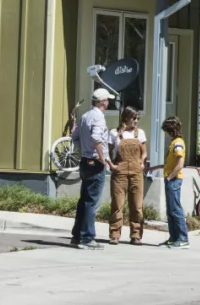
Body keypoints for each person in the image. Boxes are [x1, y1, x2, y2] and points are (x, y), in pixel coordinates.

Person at [71, 88, 113, 250]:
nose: (108, 103)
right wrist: (102, 159)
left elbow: (75, 137)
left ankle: (77, 236)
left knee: (84, 200)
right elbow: (97, 138)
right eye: (107, 100)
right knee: (91, 201)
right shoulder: (99, 117)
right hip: (95, 163)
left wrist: (85, 150)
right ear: (103, 102)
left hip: (84, 161)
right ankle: (87, 238)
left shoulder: (85, 116)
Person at [108, 106, 147, 245]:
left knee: (137, 205)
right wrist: (111, 165)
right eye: (134, 118)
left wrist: (142, 163)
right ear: (126, 118)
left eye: (137, 118)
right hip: (120, 172)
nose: (136, 121)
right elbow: (108, 151)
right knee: (117, 205)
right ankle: (115, 234)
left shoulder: (140, 133)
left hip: (136, 172)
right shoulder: (114, 133)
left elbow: (144, 152)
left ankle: (136, 234)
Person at [148, 116, 188, 248]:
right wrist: (156, 167)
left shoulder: (178, 143)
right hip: (171, 178)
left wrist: (170, 177)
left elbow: (180, 163)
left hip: (174, 180)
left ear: (170, 130)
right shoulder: (174, 142)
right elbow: (170, 163)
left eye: (165, 130)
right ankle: (173, 238)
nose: (164, 133)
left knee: (175, 209)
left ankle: (183, 239)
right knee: (170, 210)